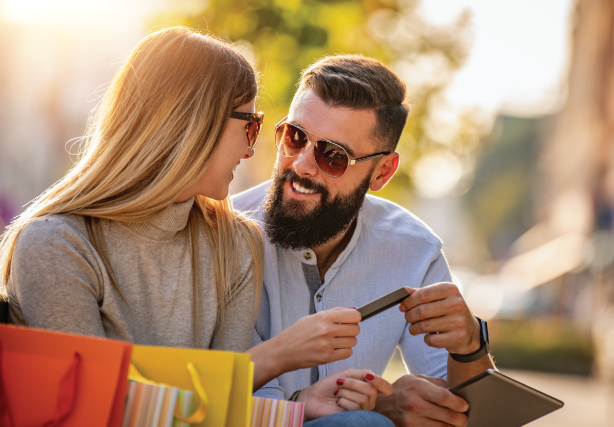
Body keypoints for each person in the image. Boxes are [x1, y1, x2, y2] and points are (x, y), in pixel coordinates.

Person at [0, 29, 391, 423]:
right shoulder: (57, 245)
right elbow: (92, 410)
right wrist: (274, 357)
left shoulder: (235, 242)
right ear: (193, 124)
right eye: (251, 126)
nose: (251, 149)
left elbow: (218, 414)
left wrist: (299, 406)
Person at [233, 54, 497, 426]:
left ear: (382, 172)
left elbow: (469, 415)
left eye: (334, 156)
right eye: (295, 137)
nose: (301, 164)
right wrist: (374, 409)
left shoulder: (415, 250)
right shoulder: (226, 231)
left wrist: (469, 349)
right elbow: (210, 389)